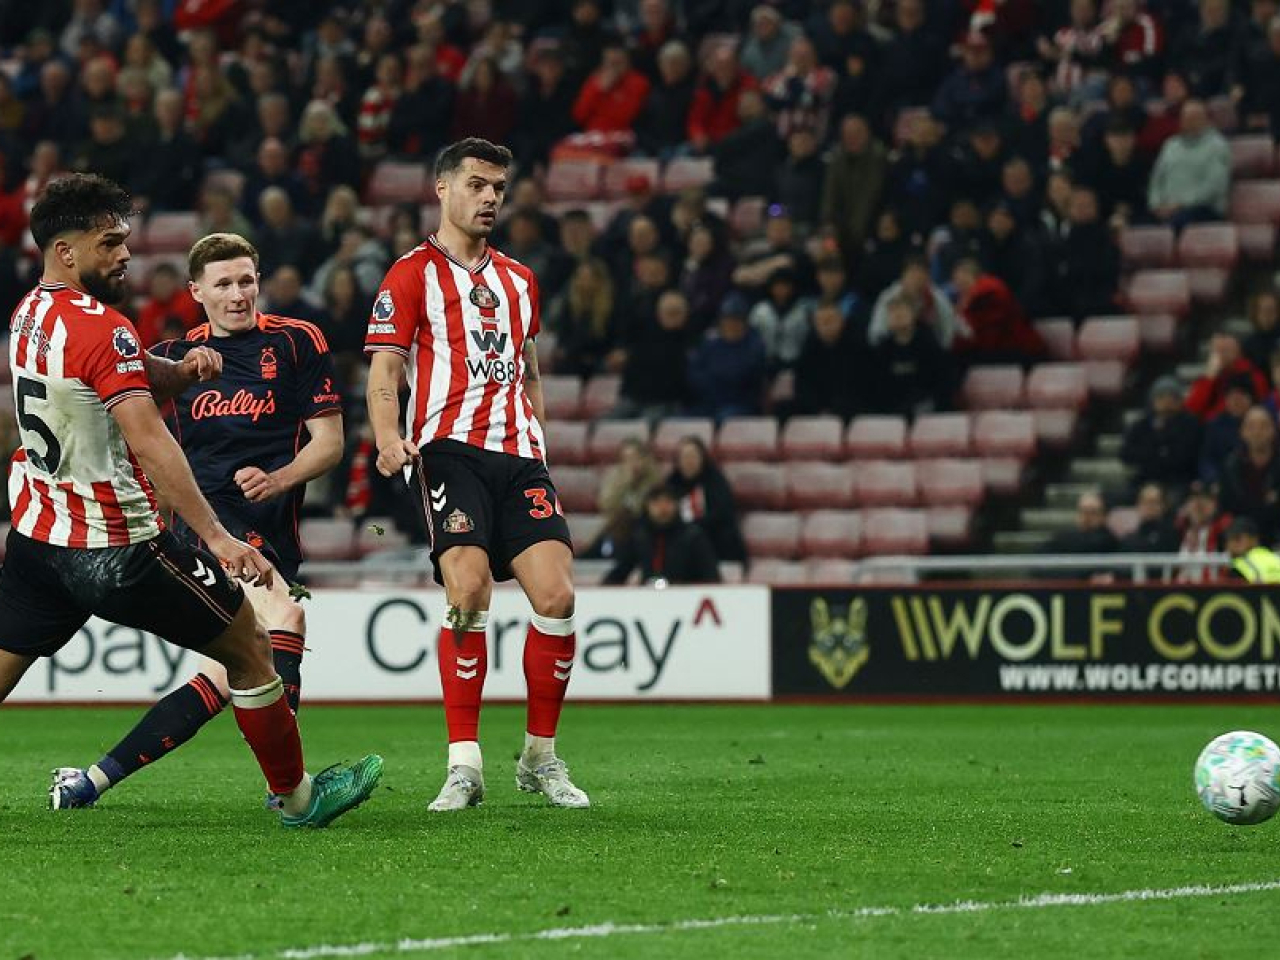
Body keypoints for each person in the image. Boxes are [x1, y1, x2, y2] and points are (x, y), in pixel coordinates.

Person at [0, 174, 378, 825]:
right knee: (251, 643)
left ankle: (99, 778)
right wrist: (219, 538)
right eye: (110, 242)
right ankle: (297, 798)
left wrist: (180, 372)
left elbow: (108, 371)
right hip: (117, 548)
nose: (126, 255)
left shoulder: (29, 315)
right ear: (68, 251)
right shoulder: (107, 327)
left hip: (40, 534)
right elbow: (149, 441)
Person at [51, 232, 347, 809]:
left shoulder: (297, 342)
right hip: (207, 526)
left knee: (225, 674)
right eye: (224, 284)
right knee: (285, 613)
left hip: (274, 527)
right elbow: (120, 423)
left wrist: (280, 478)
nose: (238, 294)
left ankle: (89, 782)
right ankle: (289, 790)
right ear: (196, 292)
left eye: (246, 281)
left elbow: (330, 443)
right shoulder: (173, 361)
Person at [365, 138, 588, 811]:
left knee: (557, 599)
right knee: (467, 588)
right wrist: (385, 438)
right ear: (442, 189)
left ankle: (539, 758)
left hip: (519, 458)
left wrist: (539, 442)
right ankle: (465, 764)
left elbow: (531, 368)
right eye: (477, 184)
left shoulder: (521, 280)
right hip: (447, 451)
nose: (490, 196)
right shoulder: (410, 274)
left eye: (498, 186)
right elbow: (385, 370)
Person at [602, 485, 722, 585]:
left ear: (676, 506)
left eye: (668, 502)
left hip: (686, 600)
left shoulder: (693, 537)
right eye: (656, 502)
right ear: (647, 507)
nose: (662, 508)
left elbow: (711, 576)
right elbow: (621, 570)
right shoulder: (640, 537)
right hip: (649, 600)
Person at [1147, 99, 1231, 232]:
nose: (1189, 122)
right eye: (1185, 118)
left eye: (1194, 118)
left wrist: (1180, 205)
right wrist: (1156, 204)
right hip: (1167, 209)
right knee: (1140, 223)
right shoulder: (1170, 145)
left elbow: (1214, 187)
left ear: (1206, 120)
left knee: (1176, 223)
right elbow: (1157, 179)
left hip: (1203, 209)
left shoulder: (1217, 146)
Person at [667, 435, 747, 564]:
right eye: (684, 457)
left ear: (702, 458)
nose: (689, 461)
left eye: (693, 456)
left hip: (716, 542)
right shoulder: (671, 483)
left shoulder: (716, 481)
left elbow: (722, 513)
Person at [1120, 376, 1202, 494]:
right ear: (1152, 400)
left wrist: (1156, 452)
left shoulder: (1191, 424)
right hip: (1146, 479)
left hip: (1180, 480)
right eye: (1161, 397)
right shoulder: (1142, 425)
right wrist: (1157, 452)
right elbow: (1126, 454)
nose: (1166, 402)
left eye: (1172, 398)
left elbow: (1185, 457)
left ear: (1180, 401)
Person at [1118, 483, 1181, 553]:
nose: (1149, 506)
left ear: (1163, 506)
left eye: (1154, 502)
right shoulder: (1129, 538)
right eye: (1144, 502)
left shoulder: (1171, 535)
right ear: (1138, 505)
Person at [1223, 516, 1280, 582]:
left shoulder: (1239, 565)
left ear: (1254, 539)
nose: (1231, 544)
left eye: (1237, 538)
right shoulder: (1275, 557)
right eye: (1227, 540)